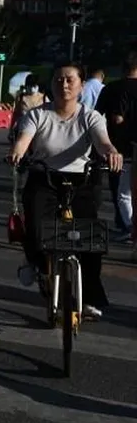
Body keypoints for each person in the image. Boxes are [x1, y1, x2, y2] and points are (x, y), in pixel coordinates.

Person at [8, 63, 125, 320]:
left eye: (70, 80)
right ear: (51, 84)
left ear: (81, 85)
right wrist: (18, 152)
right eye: (59, 80)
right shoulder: (37, 115)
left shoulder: (90, 116)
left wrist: (111, 153)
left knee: (90, 240)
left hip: (81, 180)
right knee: (37, 230)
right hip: (44, 177)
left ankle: (91, 297)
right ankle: (38, 266)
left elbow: (102, 142)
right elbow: (24, 138)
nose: (64, 85)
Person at [97, 49, 137, 240]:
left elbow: (97, 116)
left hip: (118, 147)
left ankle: (126, 226)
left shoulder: (111, 89)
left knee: (120, 191)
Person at [9, 74, 47, 143]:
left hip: (39, 131)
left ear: (37, 86)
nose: (32, 88)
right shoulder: (21, 98)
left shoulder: (44, 98)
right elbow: (16, 115)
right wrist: (11, 130)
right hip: (23, 130)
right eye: (30, 86)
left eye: (34, 86)